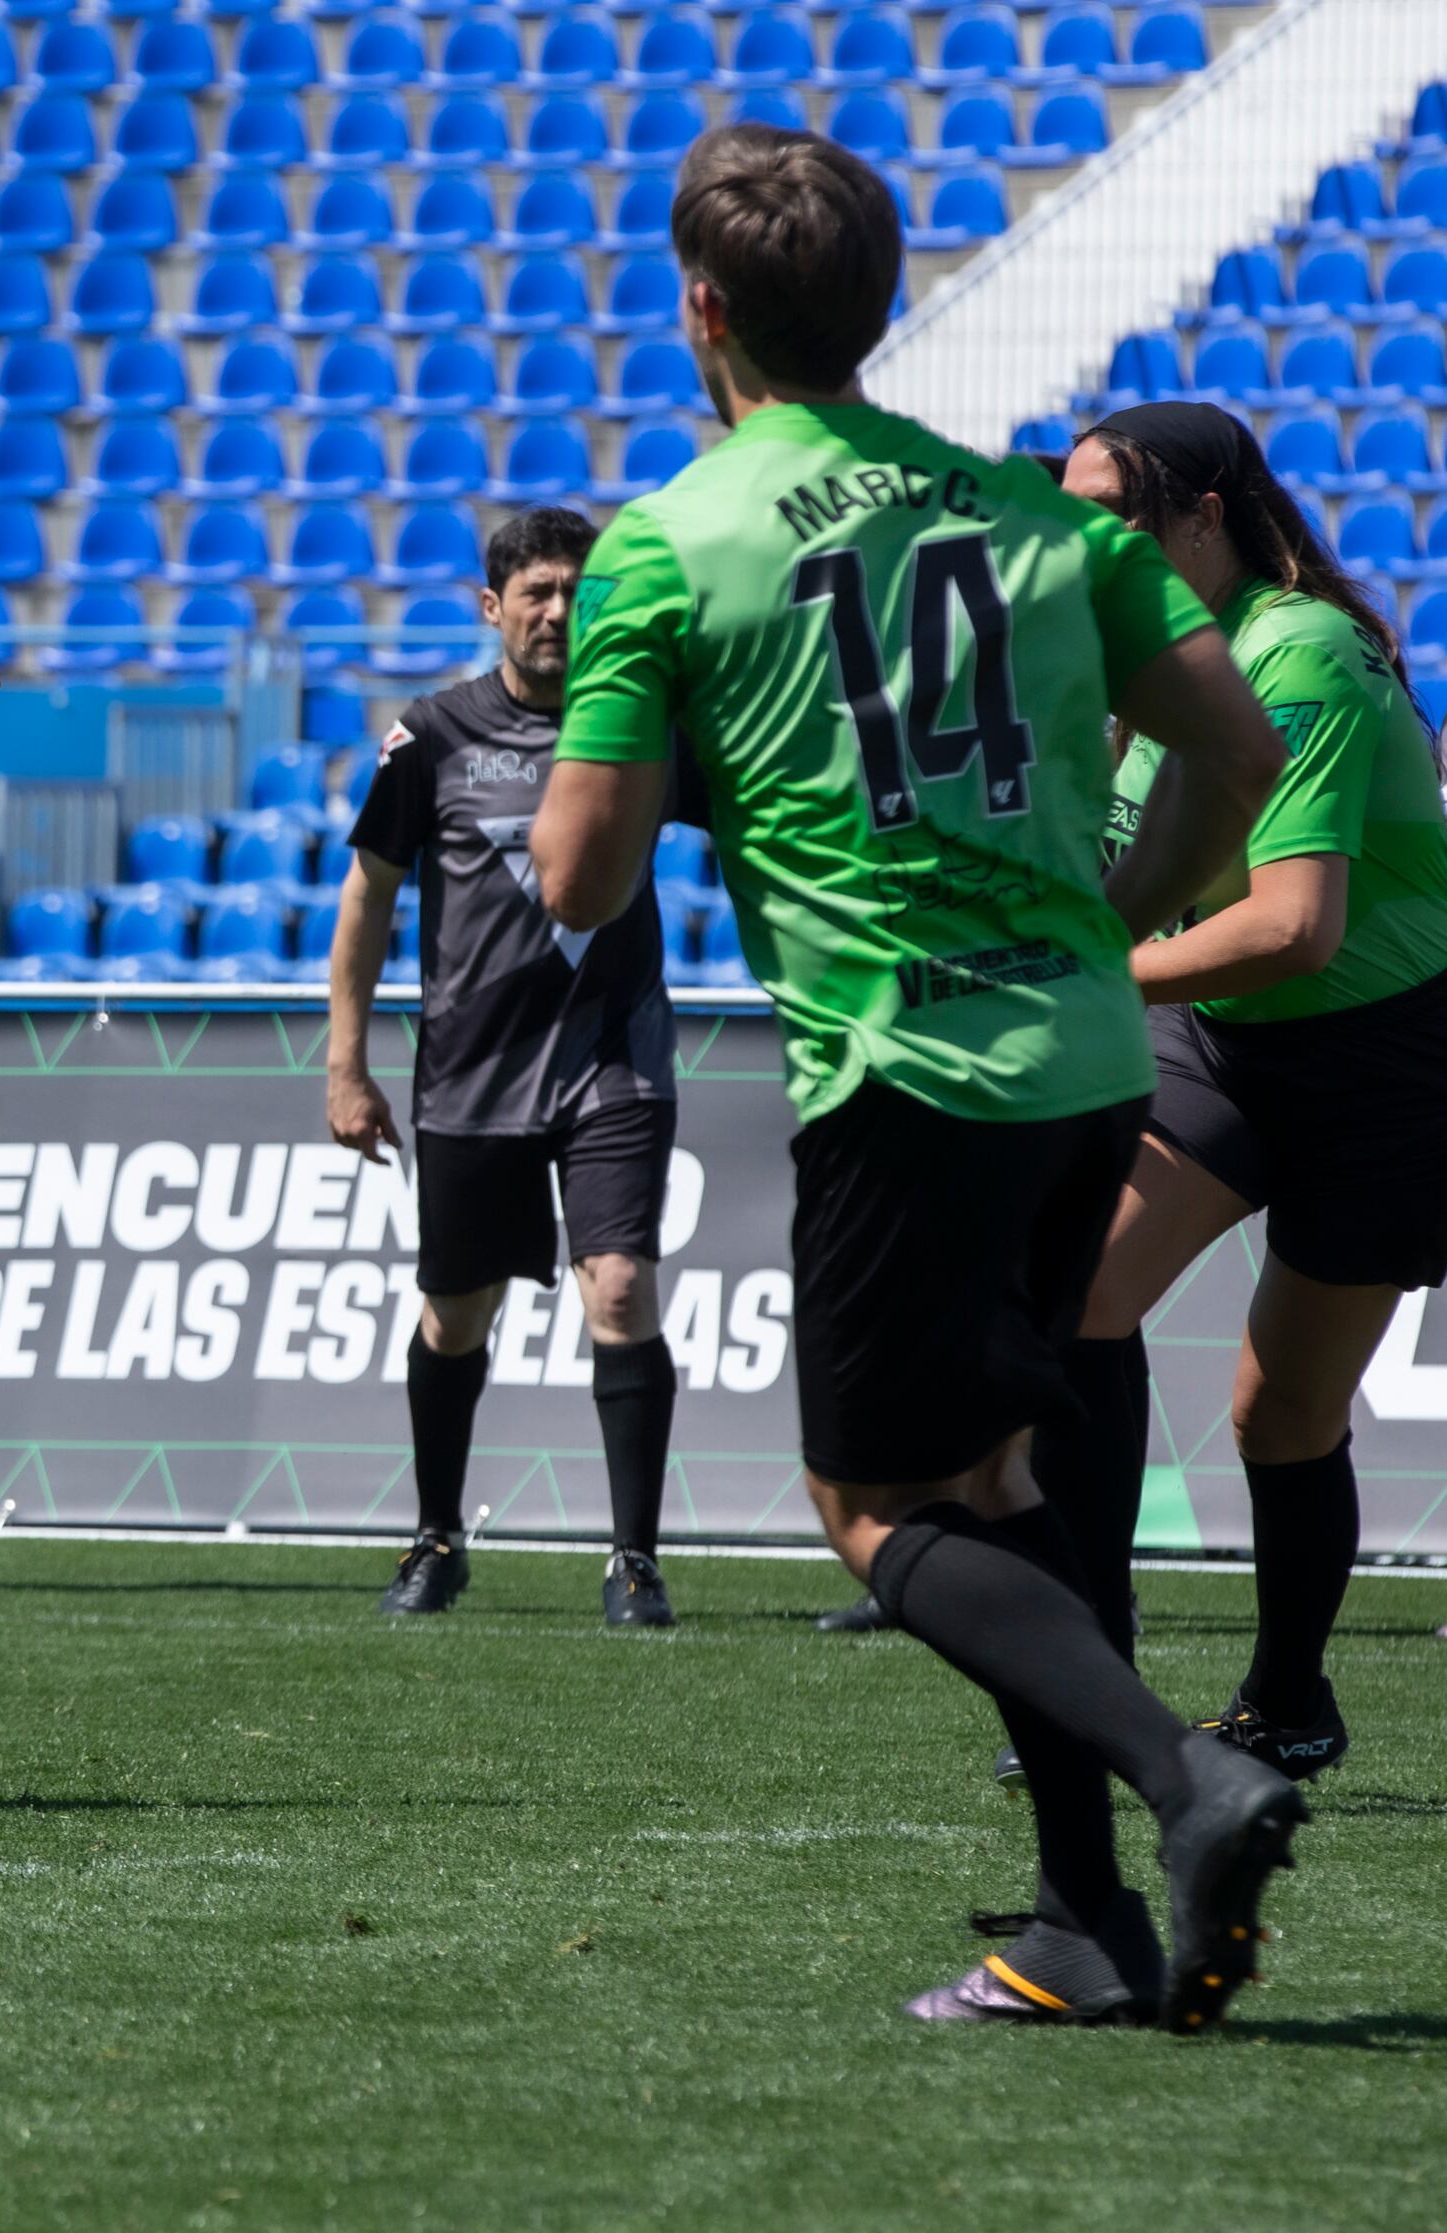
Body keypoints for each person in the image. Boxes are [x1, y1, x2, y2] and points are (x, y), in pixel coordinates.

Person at [528, 125, 1302, 2030]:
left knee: (874, 1503)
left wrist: (686, 752)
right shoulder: (1053, 521)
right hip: (1087, 1055)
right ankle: (1081, 1924)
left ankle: (1187, 1774)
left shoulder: (672, 544)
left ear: (700, 310)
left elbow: (576, 877)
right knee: (1002, 1475)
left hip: (906, 1067)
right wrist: (1117, 908)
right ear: (882, 305)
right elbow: (1240, 750)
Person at [1022, 401, 1447, 1782]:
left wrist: (1086, 971)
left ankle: (1287, 1700)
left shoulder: (1304, 654)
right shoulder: (1139, 663)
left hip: (1384, 1063)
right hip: (1222, 1037)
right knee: (1076, 1293)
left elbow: (1294, 929)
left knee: (1279, 1413)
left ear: (1206, 518)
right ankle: (1099, 1688)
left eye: (1114, 516)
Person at [324, 505, 687, 1629]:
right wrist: (344, 1062)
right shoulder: (426, 736)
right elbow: (368, 896)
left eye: (575, 591)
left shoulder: (639, 726)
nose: (555, 611)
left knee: (618, 1288)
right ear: (492, 607)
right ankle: (436, 1536)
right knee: (453, 1316)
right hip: (469, 1073)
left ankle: (632, 1559)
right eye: (533, 592)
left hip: (610, 1059)